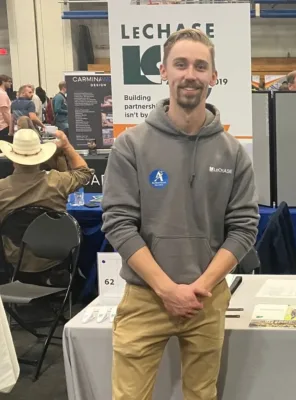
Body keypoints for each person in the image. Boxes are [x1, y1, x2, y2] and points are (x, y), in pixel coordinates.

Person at [101, 28, 259, 400]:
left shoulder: (233, 153)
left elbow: (244, 227)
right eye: (181, 64)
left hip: (207, 298)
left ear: (213, 77)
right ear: (163, 72)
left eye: (201, 66)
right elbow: (119, 223)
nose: (191, 74)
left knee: (202, 394)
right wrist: (166, 288)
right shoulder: (131, 145)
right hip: (145, 296)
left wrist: (201, 286)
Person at [0, 128, 93, 286]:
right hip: (55, 258)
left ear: (13, 160)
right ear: (40, 158)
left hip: (16, 260)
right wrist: (67, 146)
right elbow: (84, 172)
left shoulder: (2, 188)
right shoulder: (57, 181)